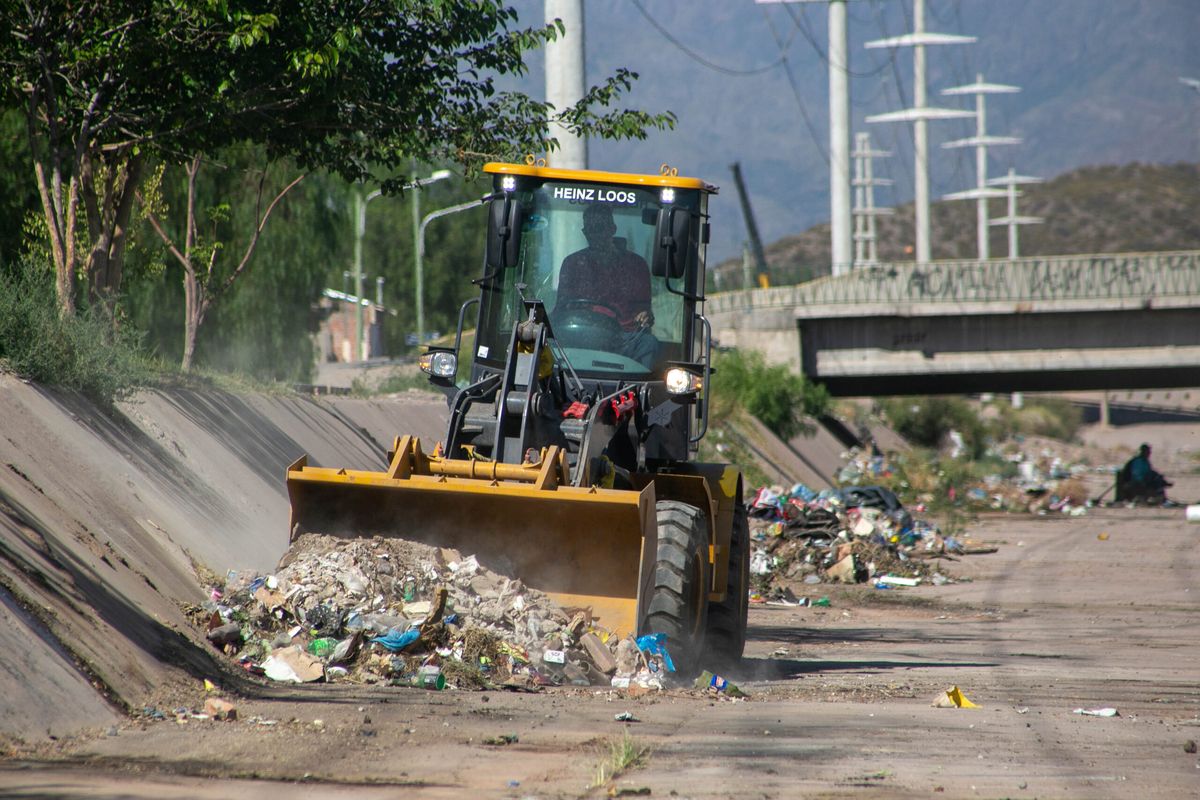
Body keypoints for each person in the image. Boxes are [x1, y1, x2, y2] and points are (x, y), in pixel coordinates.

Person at [554, 203, 659, 367]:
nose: (596, 234)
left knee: (648, 343)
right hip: (580, 338)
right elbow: (562, 308)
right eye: (591, 229)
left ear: (612, 229)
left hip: (623, 339)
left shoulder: (636, 265)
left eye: (600, 227)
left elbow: (644, 310)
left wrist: (644, 315)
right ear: (585, 233)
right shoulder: (572, 263)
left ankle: (643, 389)